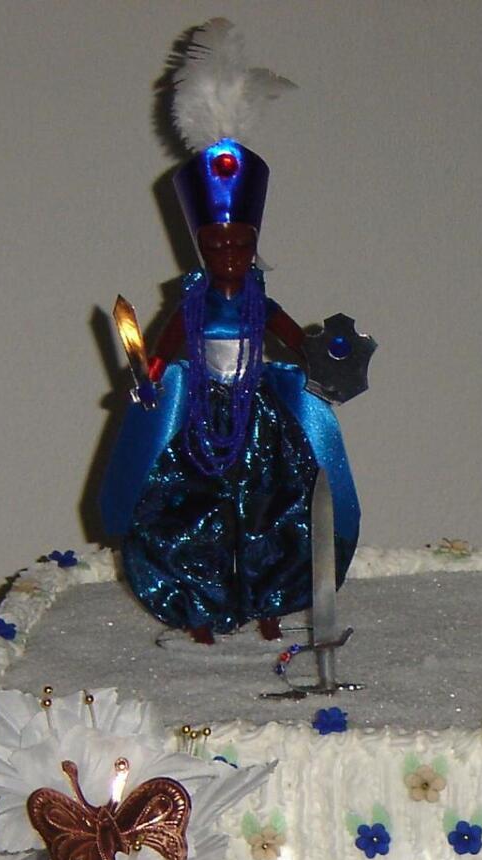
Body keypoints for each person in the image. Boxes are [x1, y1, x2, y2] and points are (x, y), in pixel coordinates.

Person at [99, 23, 358, 642]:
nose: (230, 255)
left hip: (258, 415)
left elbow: (295, 339)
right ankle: (199, 605)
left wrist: (324, 359)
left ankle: (269, 601)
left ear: (252, 245)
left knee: (273, 508)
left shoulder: (261, 300)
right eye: (218, 246)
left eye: (240, 245)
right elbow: (164, 348)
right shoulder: (191, 302)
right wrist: (148, 376)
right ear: (202, 247)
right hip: (199, 416)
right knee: (195, 512)